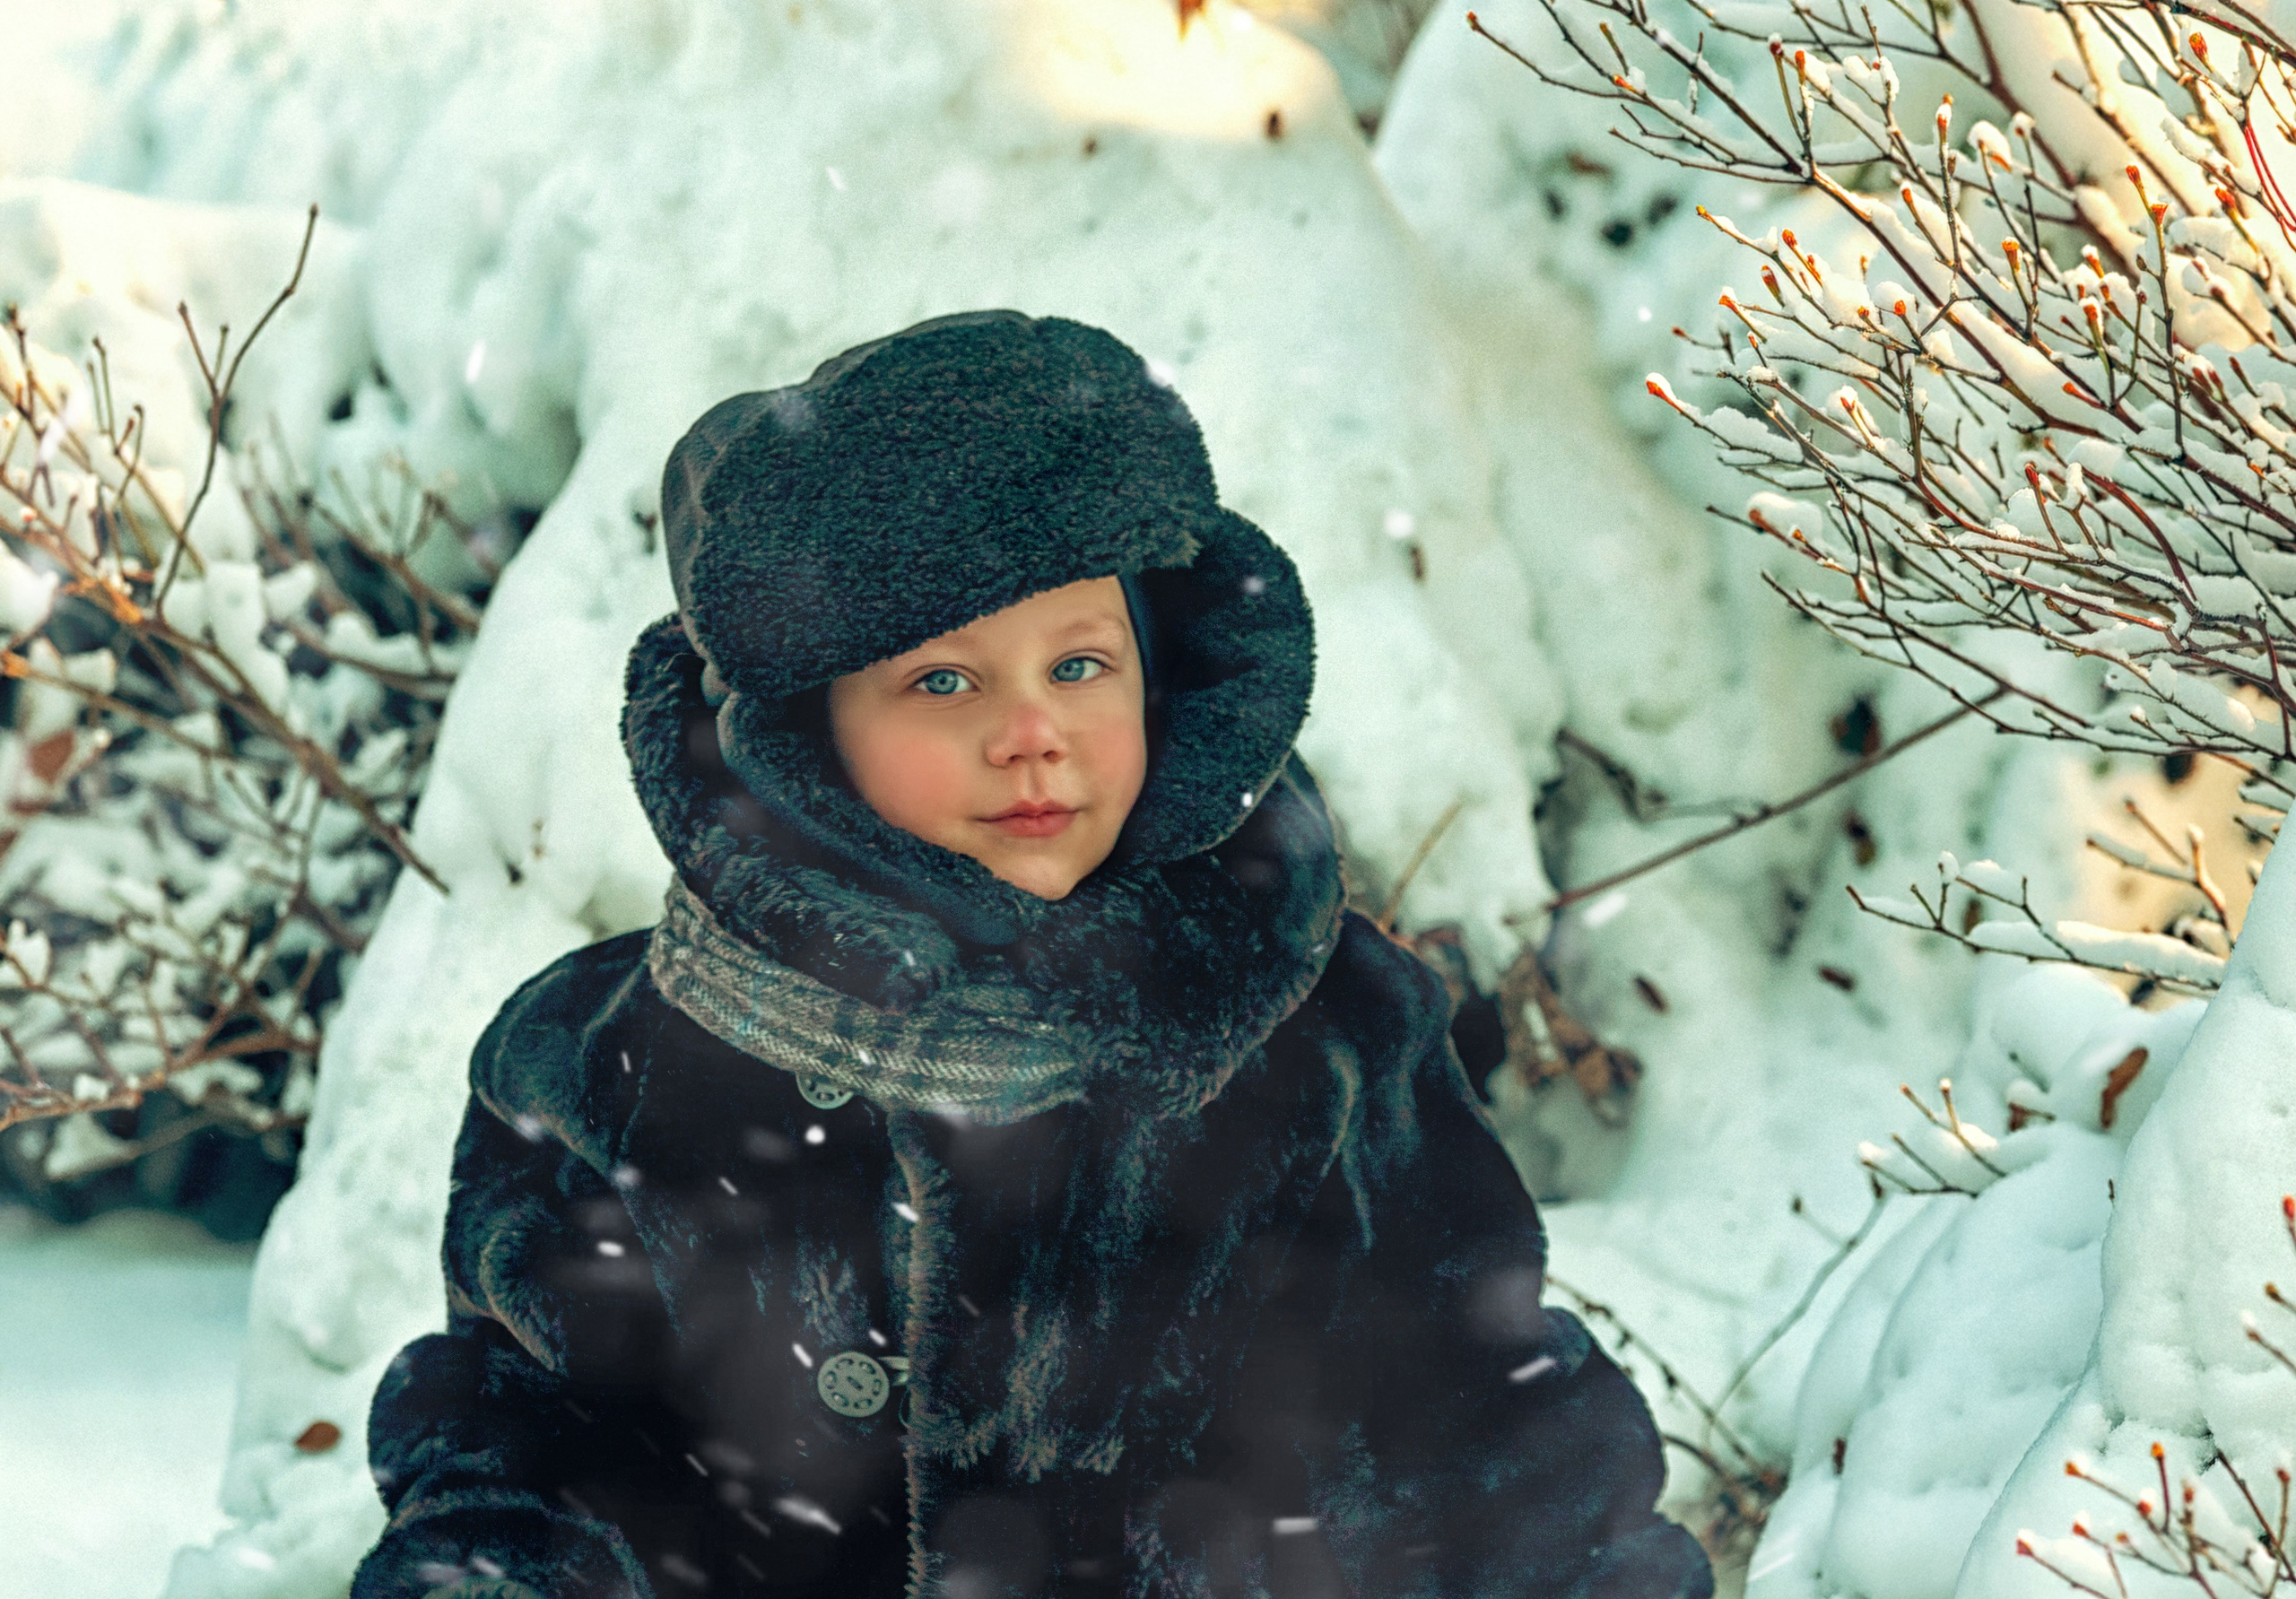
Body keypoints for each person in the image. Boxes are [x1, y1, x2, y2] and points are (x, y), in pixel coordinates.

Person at [351, 310, 1713, 1599]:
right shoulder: (614, 1061)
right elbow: (539, 1441)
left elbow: (1490, 1438)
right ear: (801, 731)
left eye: (1080, 664)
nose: (1033, 734)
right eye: (944, 682)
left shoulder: (1322, 1031)